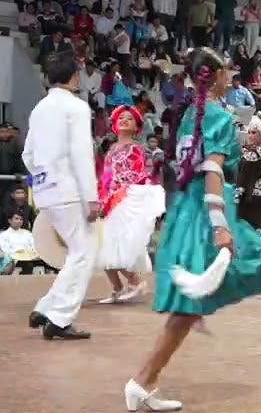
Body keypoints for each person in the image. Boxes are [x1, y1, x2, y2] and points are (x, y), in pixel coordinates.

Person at [125, 49, 261, 413]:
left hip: (186, 208)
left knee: (191, 304)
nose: (231, 77)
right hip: (203, 209)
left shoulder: (190, 118)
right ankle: (141, 380)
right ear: (219, 77)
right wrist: (218, 227)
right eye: (227, 71)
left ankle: (146, 379)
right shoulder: (218, 118)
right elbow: (212, 170)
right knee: (258, 261)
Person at [23, 52, 100, 341]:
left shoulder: (39, 109)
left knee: (77, 253)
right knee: (83, 253)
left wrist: (42, 175)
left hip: (45, 189)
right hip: (69, 189)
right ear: (74, 77)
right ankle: (59, 318)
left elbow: (27, 154)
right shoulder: (77, 107)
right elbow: (81, 154)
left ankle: (46, 308)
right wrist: (91, 197)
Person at [96, 104, 164, 304]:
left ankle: (135, 281)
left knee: (116, 246)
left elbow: (136, 175)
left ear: (136, 127)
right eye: (121, 118)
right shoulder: (111, 150)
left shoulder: (136, 148)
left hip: (124, 200)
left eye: (129, 119)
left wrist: (117, 194)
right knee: (103, 246)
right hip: (109, 201)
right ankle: (117, 288)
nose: (124, 121)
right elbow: (106, 178)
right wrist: (102, 197)